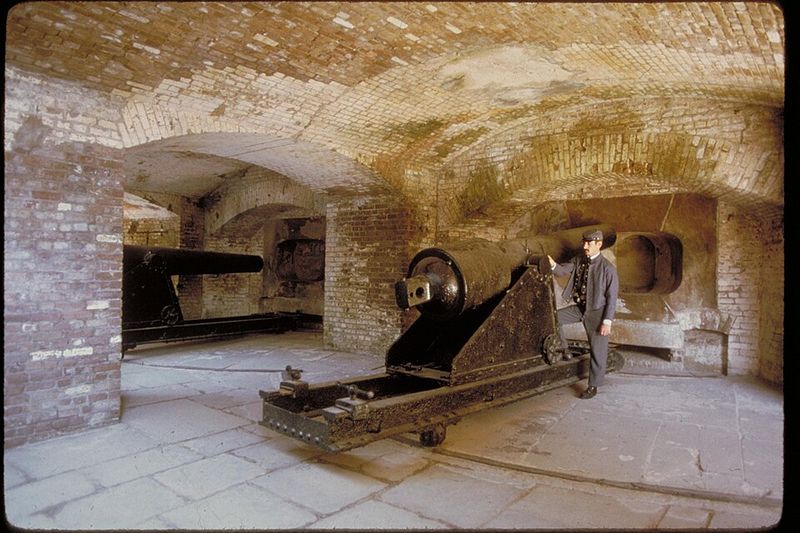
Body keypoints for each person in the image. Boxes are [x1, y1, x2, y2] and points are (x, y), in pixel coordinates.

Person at [547, 229, 619, 399]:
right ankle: (564, 349)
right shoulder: (579, 260)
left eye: (589, 243)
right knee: (553, 317)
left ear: (599, 244)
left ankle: (593, 386)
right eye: (584, 242)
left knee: (598, 350)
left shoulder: (608, 269)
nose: (585, 246)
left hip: (597, 312)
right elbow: (563, 270)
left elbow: (612, 297)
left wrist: (607, 321)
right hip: (580, 308)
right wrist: (552, 265)